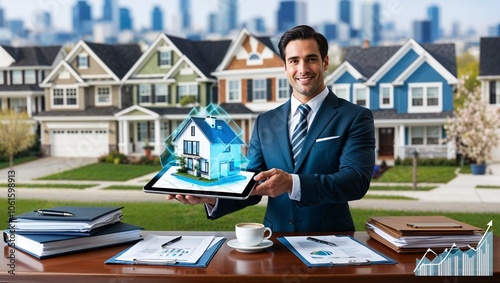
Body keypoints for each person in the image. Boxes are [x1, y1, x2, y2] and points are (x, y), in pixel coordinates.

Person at [167, 25, 375, 232]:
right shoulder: (265, 122)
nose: (303, 69)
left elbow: (355, 180)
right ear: (285, 67)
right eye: (294, 61)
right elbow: (252, 182)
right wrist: (212, 197)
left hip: (332, 242)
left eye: (311, 59)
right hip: (274, 241)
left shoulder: (355, 117)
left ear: (325, 62)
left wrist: (292, 183)